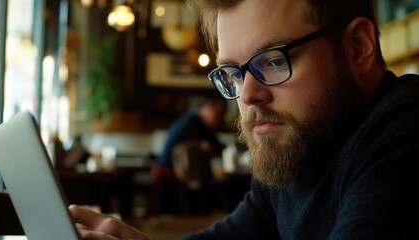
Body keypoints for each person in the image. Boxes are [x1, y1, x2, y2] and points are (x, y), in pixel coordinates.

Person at [69, 0, 419, 239]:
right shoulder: (299, 149)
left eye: (274, 60)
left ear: (357, 47)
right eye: (233, 73)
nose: (247, 95)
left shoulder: (407, 130)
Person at [151, 95, 226, 215]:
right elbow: (219, 147)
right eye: (217, 114)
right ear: (207, 109)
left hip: (163, 167)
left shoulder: (188, 118)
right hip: (172, 171)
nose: (218, 119)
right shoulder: (196, 123)